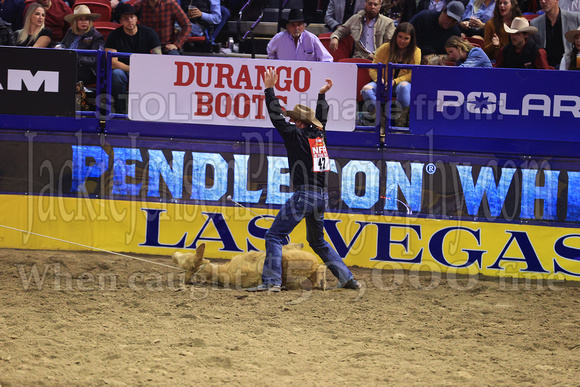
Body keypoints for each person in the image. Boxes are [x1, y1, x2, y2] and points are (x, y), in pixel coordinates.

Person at [246, 68, 361, 292]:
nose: (290, 121)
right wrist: (321, 96)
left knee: (274, 235)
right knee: (317, 241)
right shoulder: (320, 137)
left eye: (293, 119)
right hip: (321, 197)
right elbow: (322, 120)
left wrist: (269, 90)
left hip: (304, 195)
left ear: (299, 122)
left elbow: (276, 118)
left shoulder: (296, 135)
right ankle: (346, 277)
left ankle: (271, 282)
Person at [105, 3, 161, 113]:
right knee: (116, 74)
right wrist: (132, 69)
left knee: (154, 74)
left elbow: (158, 58)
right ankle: (120, 111)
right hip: (124, 71)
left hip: (146, 71)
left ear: (136, 19)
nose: (130, 20)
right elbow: (112, 62)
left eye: (132, 17)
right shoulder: (114, 35)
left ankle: (148, 111)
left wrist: (143, 70)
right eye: (125, 18)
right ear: (120, 21)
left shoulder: (149, 33)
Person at [361, 22, 421, 126]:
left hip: (401, 84)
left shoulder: (416, 51)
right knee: (366, 90)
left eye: (406, 38)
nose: (402, 41)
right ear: (395, 36)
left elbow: (413, 73)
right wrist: (379, 80)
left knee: (404, 87)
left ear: (411, 39)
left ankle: (400, 123)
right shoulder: (385, 48)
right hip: (383, 82)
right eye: (400, 37)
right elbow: (372, 68)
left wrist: (395, 81)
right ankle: (380, 121)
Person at [330, 0, 395, 60]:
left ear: (379, 7)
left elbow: (389, 44)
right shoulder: (355, 18)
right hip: (358, 58)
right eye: (370, 4)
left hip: (379, 59)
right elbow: (341, 31)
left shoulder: (388, 22)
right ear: (364, 5)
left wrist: (375, 53)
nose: (372, 7)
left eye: (375, 5)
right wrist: (335, 37)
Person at [60, 5, 105, 85]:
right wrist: (59, 47)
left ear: (90, 21)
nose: (84, 22)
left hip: (87, 70)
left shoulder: (96, 36)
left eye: (86, 19)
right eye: (80, 19)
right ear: (75, 21)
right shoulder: (70, 31)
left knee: (69, 72)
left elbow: (96, 59)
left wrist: (76, 59)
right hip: (67, 65)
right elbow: (63, 44)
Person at [267, 9, 333, 62]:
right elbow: (270, 53)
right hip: (285, 74)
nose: (296, 28)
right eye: (293, 25)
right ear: (288, 27)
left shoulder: (311, 38)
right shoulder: (279, 38)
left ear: (304, 27)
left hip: (309, 75)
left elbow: (327, 59)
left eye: (299, 25)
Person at [530, 0, 580, 67]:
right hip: (545, 68)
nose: (543, 1)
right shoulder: (535, 23)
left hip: (569, 65)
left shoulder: (575, 18)